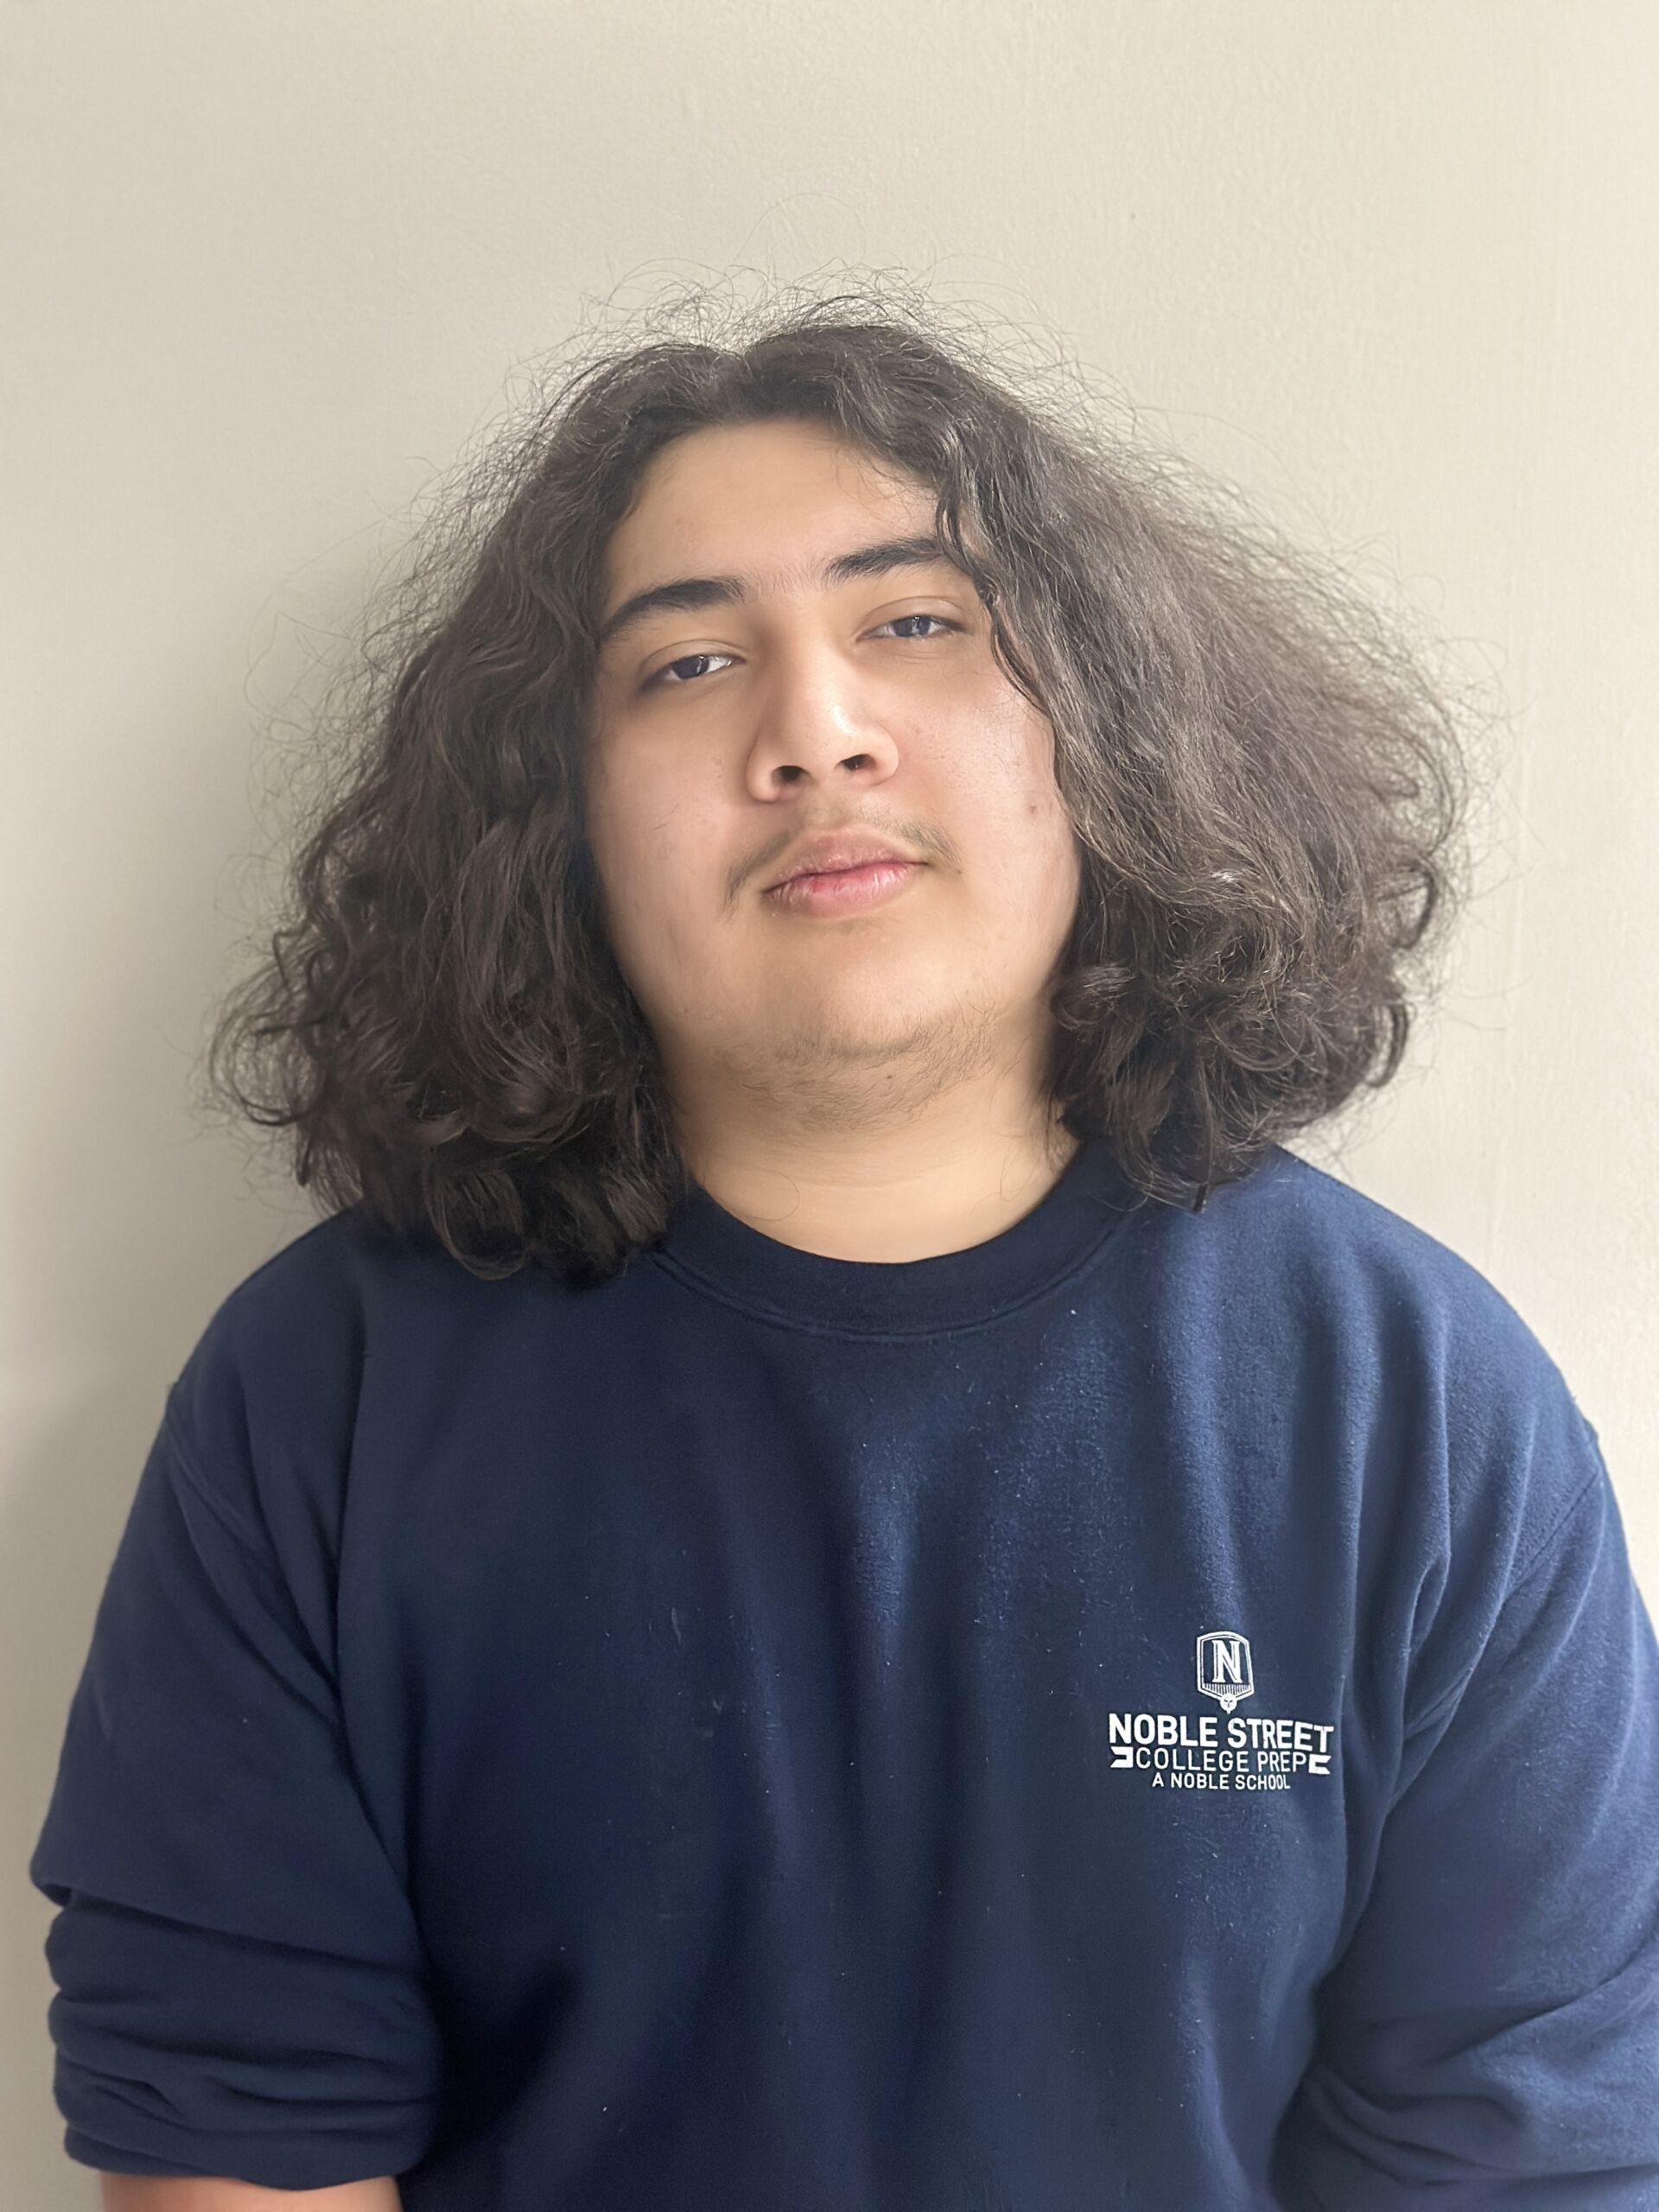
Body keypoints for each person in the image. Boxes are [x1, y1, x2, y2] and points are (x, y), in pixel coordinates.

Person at [29, 286, 1659, 2211]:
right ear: (552, 827)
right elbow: (237, 2147)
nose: (817, 731)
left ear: (1104, 734)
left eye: (914, 621)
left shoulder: (1417, 1400)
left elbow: (1521, 2153)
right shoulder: (324, 1398)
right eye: (688, 666)